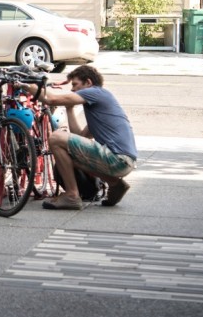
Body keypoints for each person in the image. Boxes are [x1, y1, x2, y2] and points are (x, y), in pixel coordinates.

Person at [15, 65, 137, 210]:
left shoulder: (95, 92)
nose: (72, 89)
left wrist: (29, 87)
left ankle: (72, 195)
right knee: (66, 155)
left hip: (117, 158)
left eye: (75, 85)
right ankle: (115, 184)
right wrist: (69, 107)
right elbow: (79, 136)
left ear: (88, 83)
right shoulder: (99, 103)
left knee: (55, 138)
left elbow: (51, 100)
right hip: (123, 161)